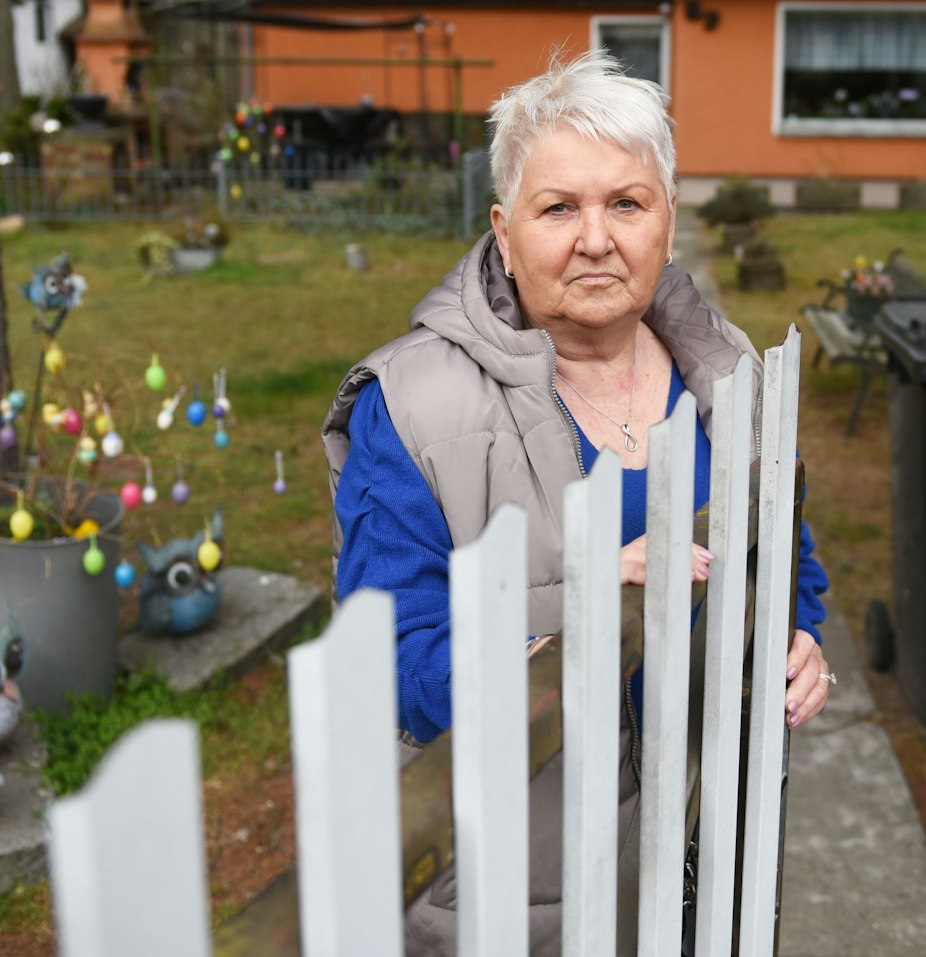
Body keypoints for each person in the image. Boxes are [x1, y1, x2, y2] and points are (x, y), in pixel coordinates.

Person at [321, 49, 832, 954]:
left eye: (627, 203)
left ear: (667, 224)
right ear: (503, 231)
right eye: (559, 207)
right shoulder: (411, 407)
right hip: (518, 900)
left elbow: (786, 549)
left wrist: (800, 634)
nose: (596, 238)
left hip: (705, 864)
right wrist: (587, 616)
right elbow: (390, 664)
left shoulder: (728, 371)